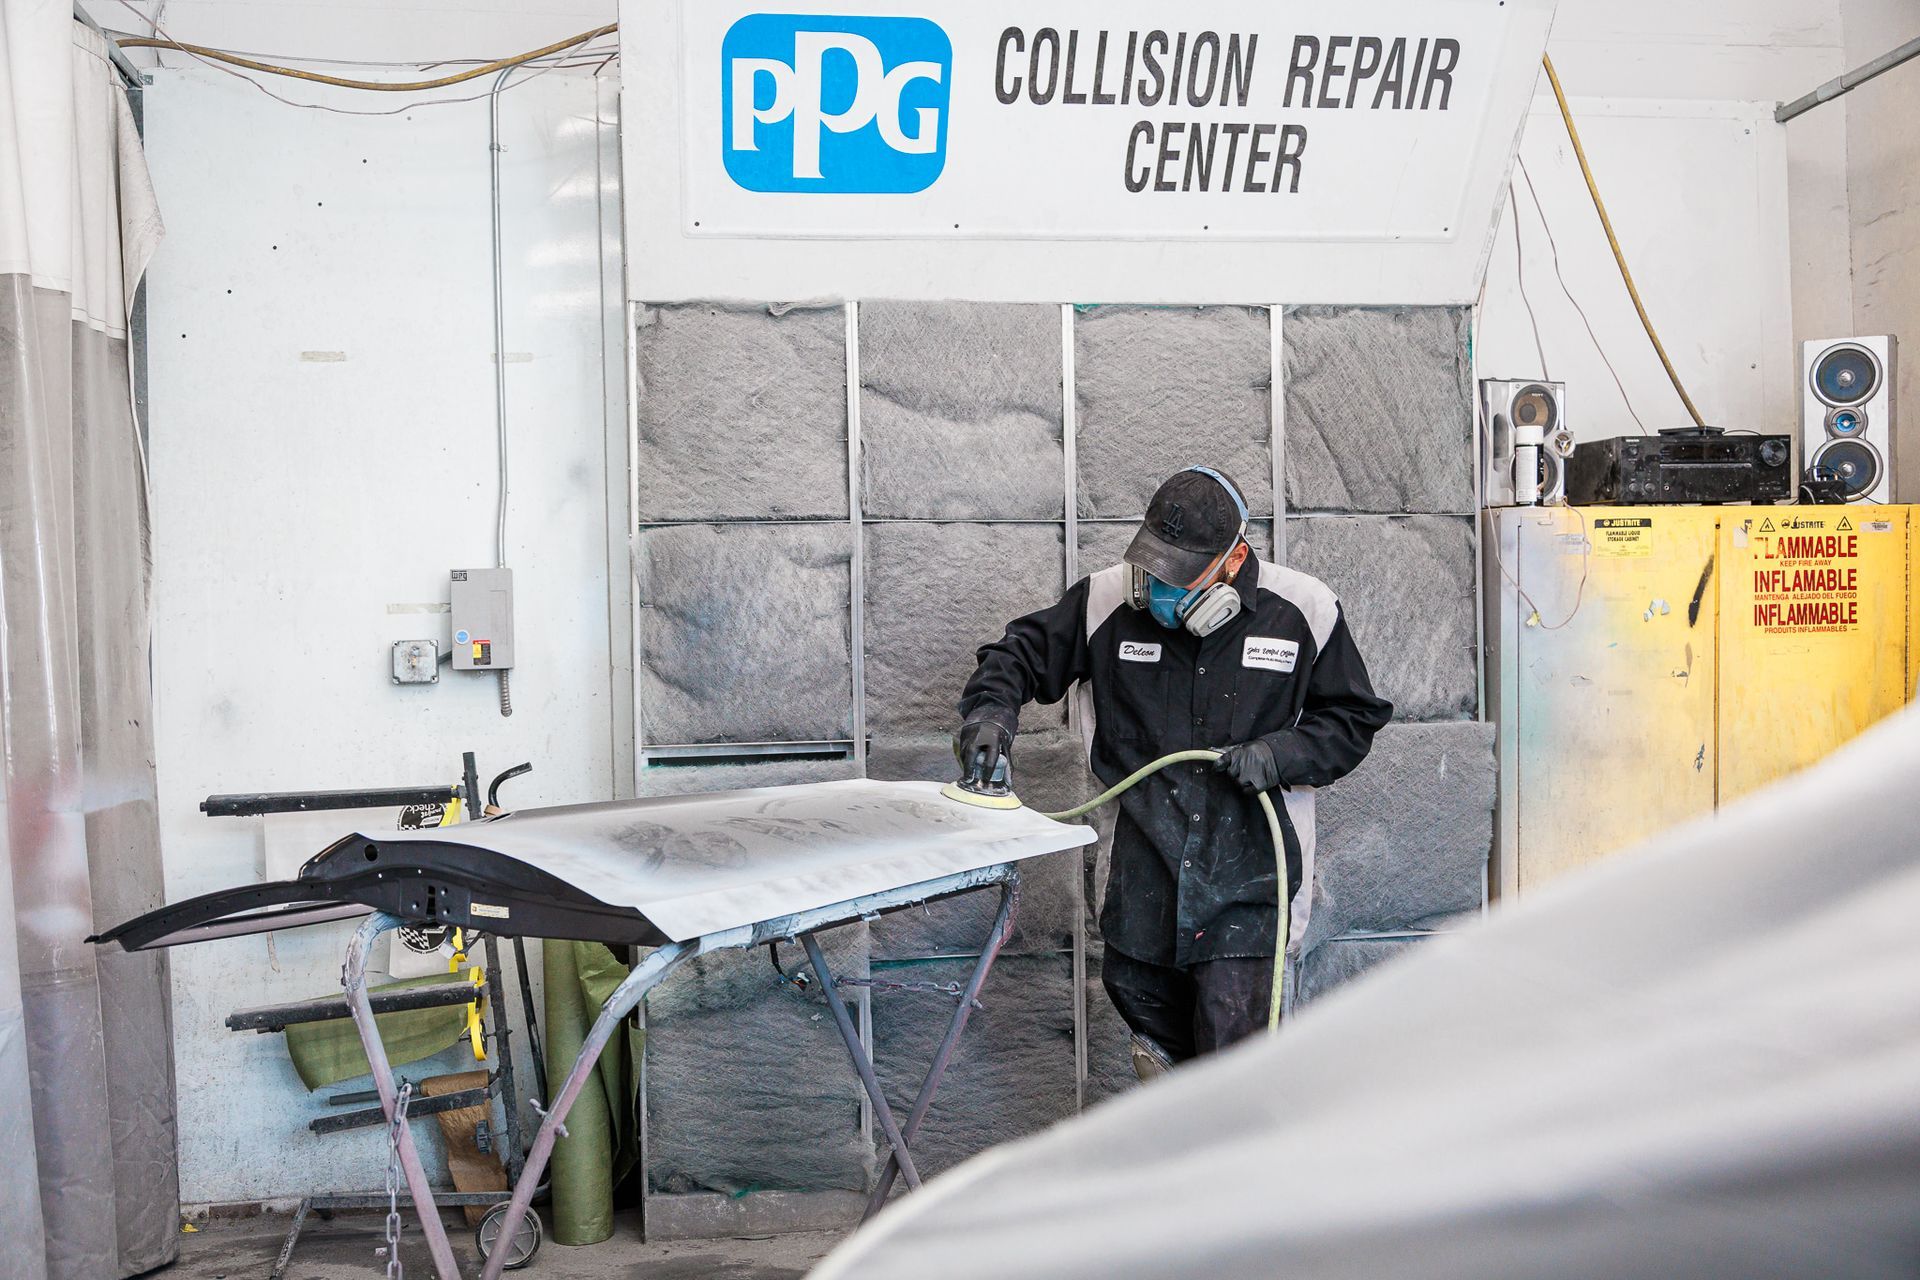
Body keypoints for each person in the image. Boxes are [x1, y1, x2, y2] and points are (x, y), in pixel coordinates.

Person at [954, 466, 1391, 1077]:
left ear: (1232, 563)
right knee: (1160, 1054)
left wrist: (1279, 754)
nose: (1160, 589)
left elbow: (1352, 719)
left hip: (1249, 888)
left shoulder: (1305, 611)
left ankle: (1228, 1165)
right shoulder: (1105, 601)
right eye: (1154, 567)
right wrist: (992, 715)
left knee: (1231, 1069)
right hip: (1142, 881)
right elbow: (1017, 655)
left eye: (1181, 577)